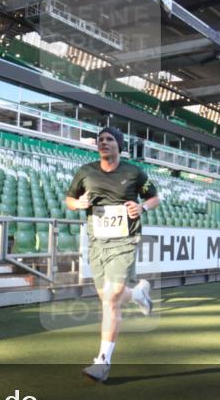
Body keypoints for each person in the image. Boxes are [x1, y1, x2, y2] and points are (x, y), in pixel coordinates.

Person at [65, 126, 161, 383]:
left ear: (119, 145)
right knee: (108, 297)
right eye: (100, 140)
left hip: (125, 239)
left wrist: (141, 207)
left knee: (111, 298)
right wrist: (79, 204)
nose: (103, 143)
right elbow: (69, 199)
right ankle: (138, 293)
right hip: (97, 241)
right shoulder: (86, 171)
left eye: (109, 140)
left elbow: (154, 198)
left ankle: (102, 361)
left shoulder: (134, 172)